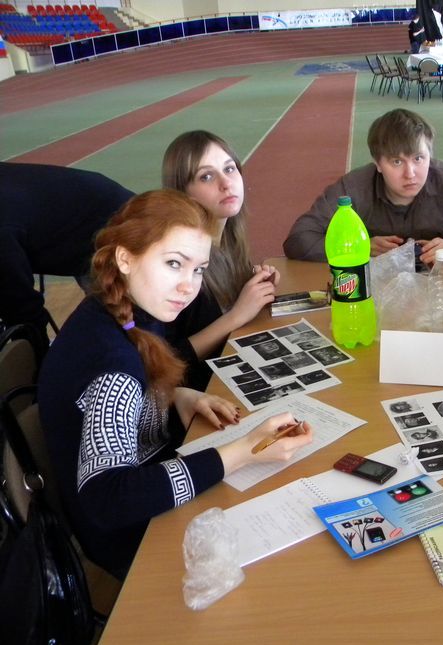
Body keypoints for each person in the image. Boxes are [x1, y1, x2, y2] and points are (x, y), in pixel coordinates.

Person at [38, 190, 314, 579]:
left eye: (199, 269)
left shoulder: (123, 309)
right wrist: (243, 452)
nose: (189, 286)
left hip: (150, 484)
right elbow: (109, 499)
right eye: (173, 264)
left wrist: (172, 395)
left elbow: (128, 393)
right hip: (133, 539)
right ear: (125, 258)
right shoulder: (111, 367)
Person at [283, 108, 443, 265]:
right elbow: (299, 239)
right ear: (378, 163)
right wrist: (359, 247)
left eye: (418, 159)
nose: (410, 173)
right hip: (375, 285)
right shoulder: (353, 188)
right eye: (396, 162)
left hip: (437, 281)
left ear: (430, 155)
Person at [162, 130, 280, 388]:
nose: (226, 183)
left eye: (229, 169)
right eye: (206, 176)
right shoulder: (177, 259)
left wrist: (253, 285)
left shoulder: (228, 237)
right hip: (197, 396)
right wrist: (237, 314)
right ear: (183, 194)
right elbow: (167, 360)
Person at [0, 162, 134, 347]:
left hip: (113, 226)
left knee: (124, 331)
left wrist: (34, 357)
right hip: (86, 213)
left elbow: (22, 306)